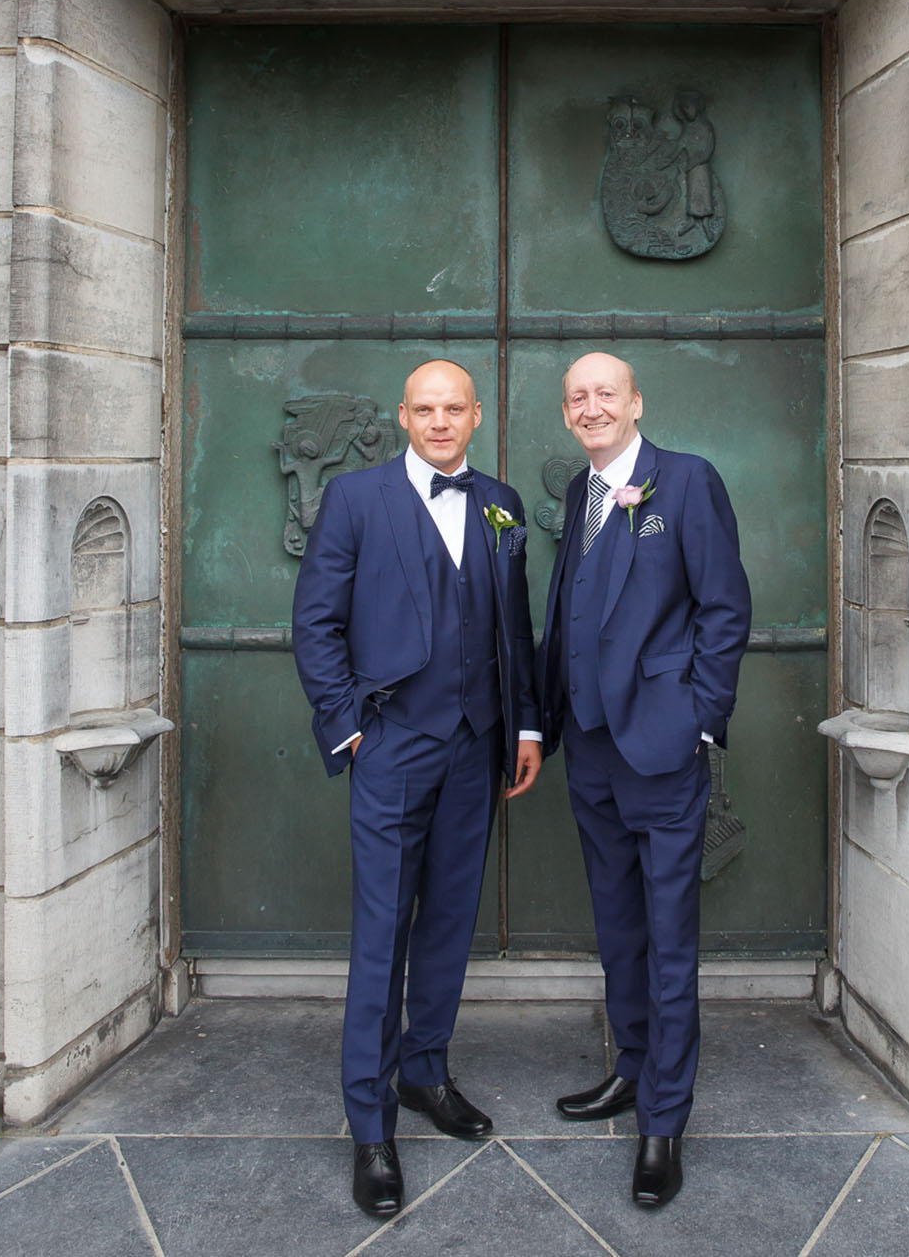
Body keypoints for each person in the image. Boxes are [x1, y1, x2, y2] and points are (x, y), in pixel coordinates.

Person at [293, 359, 541, 1219]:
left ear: (476, 415)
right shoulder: (357, 500)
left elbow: (516, 623)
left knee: (448, 920)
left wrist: (528, 727)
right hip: (394, 745)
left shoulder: (500, 499)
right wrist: (349, 725)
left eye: (454, 409)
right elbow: (315, 619)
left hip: (477, 747)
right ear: (404, 415)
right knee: (382, 928)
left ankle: (425, 1071)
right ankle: (370, 1120)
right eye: (424, 409)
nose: (439, 422)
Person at [541, 351, 751, 1208]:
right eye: (578, 397)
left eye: (606, 394)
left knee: (669, 935)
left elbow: (726, 607)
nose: (593, 407)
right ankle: (630, 1070)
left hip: (661, 749)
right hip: (589, 749)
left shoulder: (686, 483)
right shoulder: (581, 495)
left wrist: (699, 716)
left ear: (636, 402)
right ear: (567, 414)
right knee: (619, 927)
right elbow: (570, 611)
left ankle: (664, 1118)